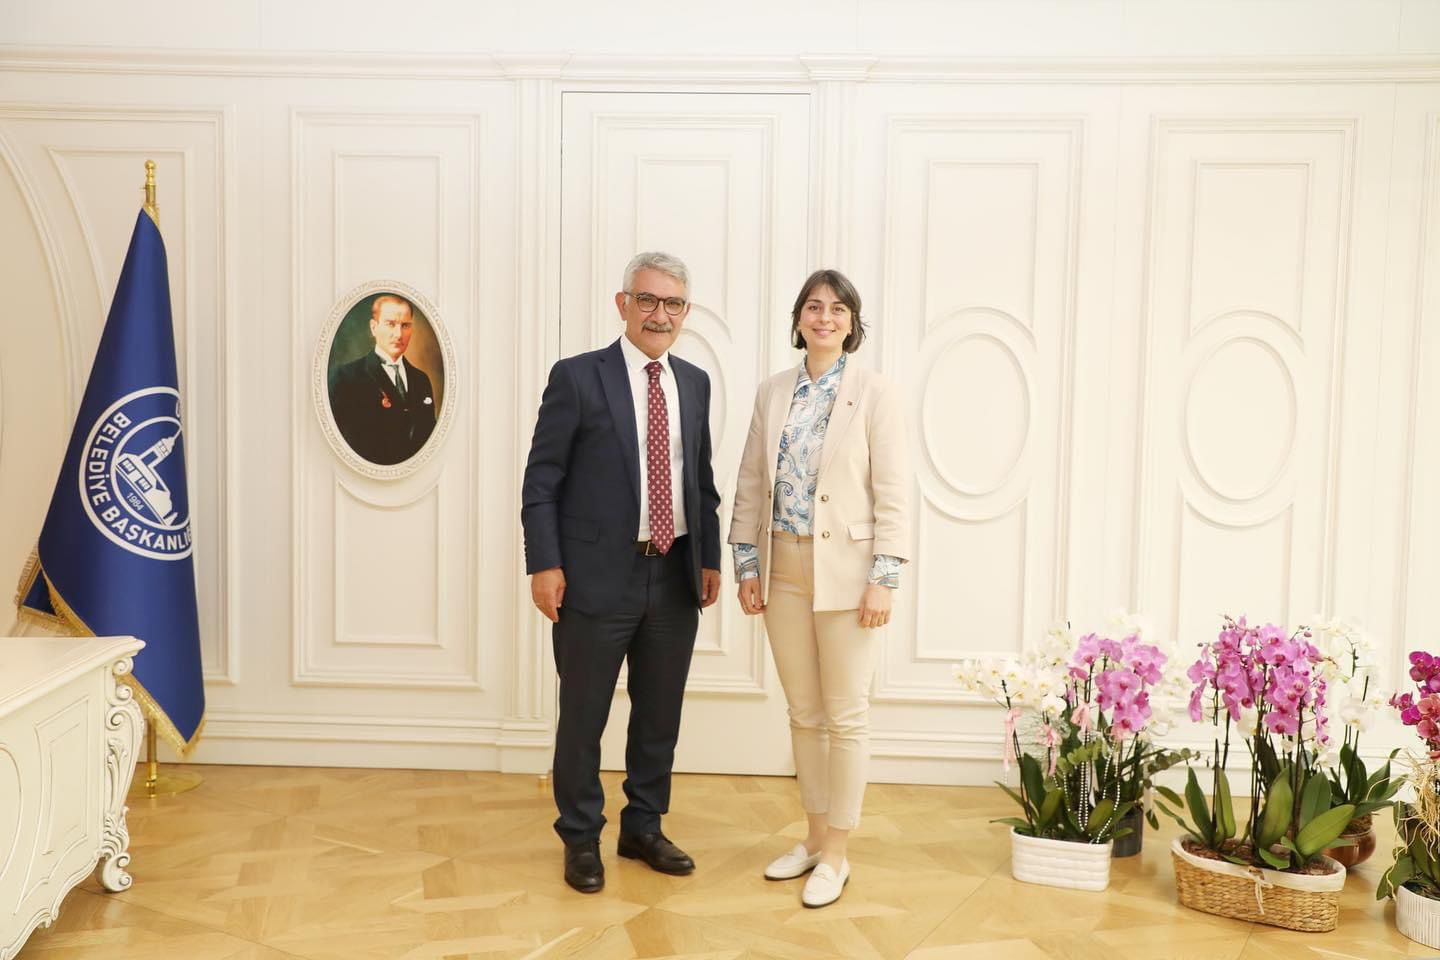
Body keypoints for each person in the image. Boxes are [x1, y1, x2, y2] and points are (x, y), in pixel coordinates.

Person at [522, 251, 722, 894]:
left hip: (674, 575)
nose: (660, 314)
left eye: (673, 303)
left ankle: (643, 827)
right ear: (623, 304)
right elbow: (542, 480)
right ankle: (581, 836)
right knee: (583, 716)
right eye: (648, 300)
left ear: (685, 312)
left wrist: (709, 557)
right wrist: (544, 563)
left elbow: (701, 482)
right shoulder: (578, 377)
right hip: (592, 578)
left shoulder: (694, 383)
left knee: (659, 715)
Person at [728, 269, 911, 908]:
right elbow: (751, 482)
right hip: (783, 566)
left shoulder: (875, 392)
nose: (824, 317)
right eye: (813, 306)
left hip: (850, 572)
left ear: (852, 323)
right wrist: (747, 565)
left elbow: (893, 492)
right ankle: (811, 838)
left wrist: (883, 578)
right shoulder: (773, 391)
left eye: (837, 309)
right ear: (799, 319)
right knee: (803, 712)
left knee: (846, 714)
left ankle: (837, 851)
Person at [328, 294, 436, 465]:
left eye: (405, 325)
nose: (398, 334)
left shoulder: (421, 380)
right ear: (374, 327)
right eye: (390, 324)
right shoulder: (346, 377)